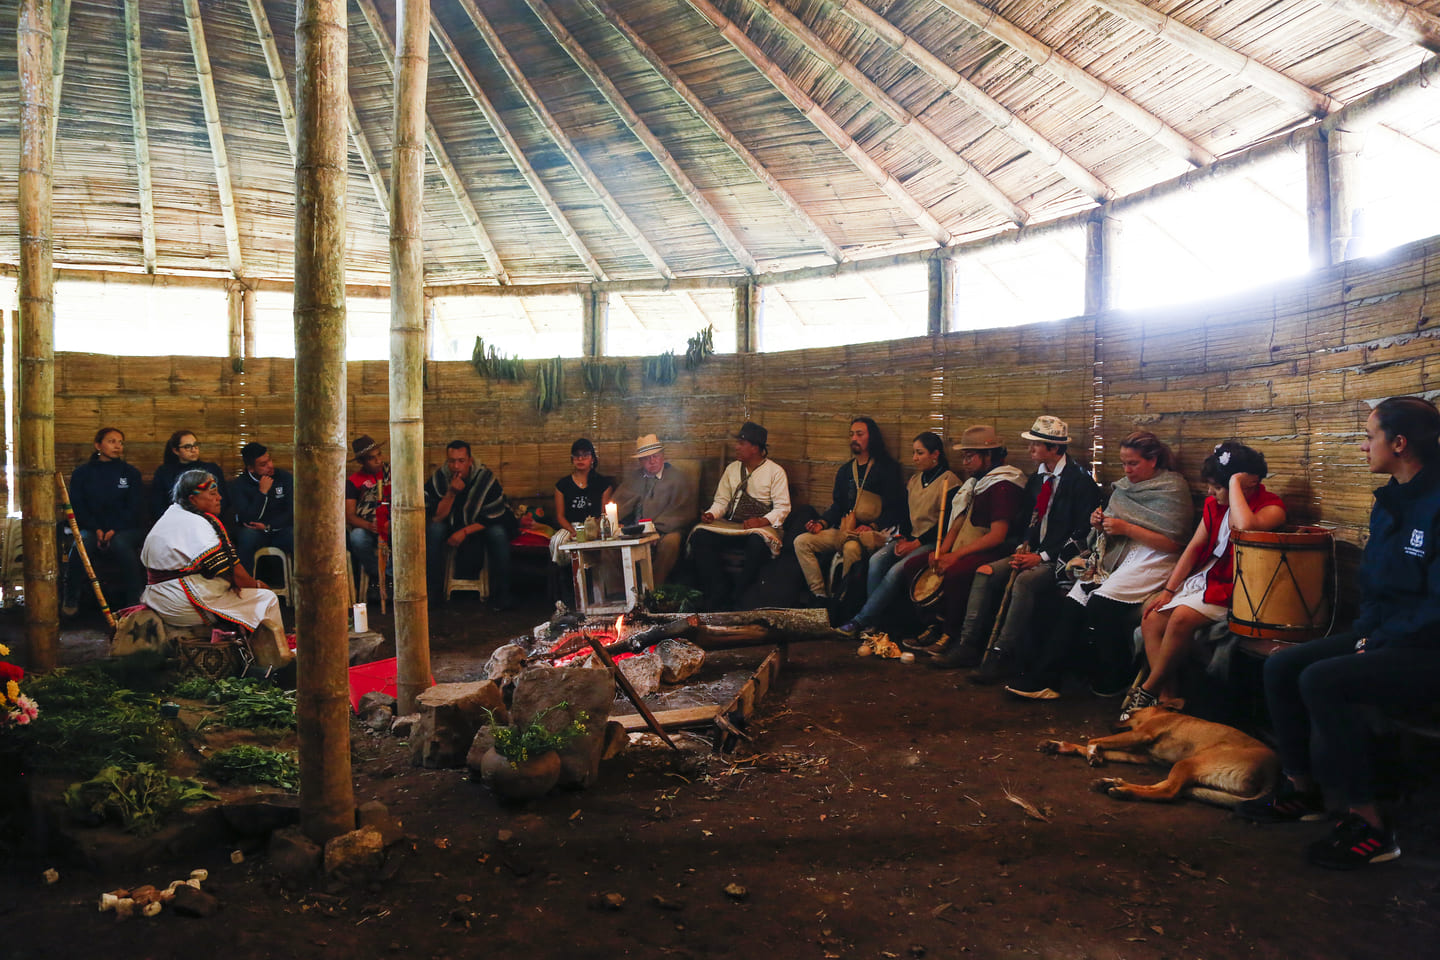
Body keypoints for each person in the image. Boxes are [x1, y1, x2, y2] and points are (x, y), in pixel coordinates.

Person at [1235, 397, 1440, 870]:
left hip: (1429, 648)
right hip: (1387, 636)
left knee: (1323, 679)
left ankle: (1370, 825)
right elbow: (1374, 584)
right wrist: (1368, 634)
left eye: (1371, 437)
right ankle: (1303, 791)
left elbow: (1436, 608)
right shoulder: (1390, 501)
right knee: (1284, 664)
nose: (1365, 446)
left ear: (1400, 443)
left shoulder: (1436, 506)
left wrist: (1379, 642)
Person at [1002, 432, 1194, 701]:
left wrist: (1126, 527)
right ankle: (1046, 679)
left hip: (1155, 558)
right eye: (1124, 463)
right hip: (1118, 554)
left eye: (1134, 463)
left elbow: (1175, 543)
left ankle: (1115, 677)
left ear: (1153, 460)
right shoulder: (1125, 487)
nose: (1127, 470)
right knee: (1073, 602)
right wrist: (1100, 524)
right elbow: (1111, 525)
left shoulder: (1172, 488)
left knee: (1100, 603)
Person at [1119, 441, 1286, 720]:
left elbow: (1245, 527)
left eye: (1217, 486)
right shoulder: (1213, 504)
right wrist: (1169, 590)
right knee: (1151, 617)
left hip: (1239, 587)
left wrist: (1233, 485)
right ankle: (1167, 697)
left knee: (1181, 618)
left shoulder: (1272, 507)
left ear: (1249, 483)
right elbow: (1195, 547)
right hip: (1207, 578)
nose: (1210, 492)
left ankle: (1147, 690)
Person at [927, 415, 1101, 674]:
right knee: (985, 572)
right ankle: (968, 644)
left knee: (1024, 581)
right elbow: (1026, 522)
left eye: (1036, 445)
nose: (1030, 450)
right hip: (1030, 552)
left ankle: (1001, 654)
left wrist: (1041, 557)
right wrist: (1023, 547)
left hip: (1058, 561)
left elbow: (1082, 533)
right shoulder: (1036, 480)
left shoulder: (1080, 482)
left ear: (1054, 448)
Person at [140, 470, 291, 670]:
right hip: (181, 599)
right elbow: (234, 572)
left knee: (236, 591)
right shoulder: (197, 524)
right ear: (193, 498)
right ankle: (273, 663)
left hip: (159, 596)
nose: (219, 498)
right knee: (266, 599)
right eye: (212, 493)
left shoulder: (173, 513)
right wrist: (256, 586)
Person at [912, 426, 1027, 667]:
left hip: (993, 549)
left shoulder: (1004, 484)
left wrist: (956, 556)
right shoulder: (976, 483)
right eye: (964, 456)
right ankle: (934, 624)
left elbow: (997, 536)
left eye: (970, 456)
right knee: (915, 565)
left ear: (989, 456)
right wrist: (942, 551)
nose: (965, 462)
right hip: (967, 545)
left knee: (956, 572)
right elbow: (958, 523)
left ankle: (952, 635)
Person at [837, 432, 960, 636]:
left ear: (935, 454)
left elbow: (945, 523)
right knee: (877, 560)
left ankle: (861, 620)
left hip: (931, 542)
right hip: (910, 538)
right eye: (914, 453)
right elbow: (904, 513)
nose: (914, 458)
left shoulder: (950, 482)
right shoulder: (914, 480)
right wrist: (901, 537)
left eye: (920, 453)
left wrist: (917, 543)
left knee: (896, 571)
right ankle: (874, 624)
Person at [792, 417, 905, 606]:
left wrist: (871, 525)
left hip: (872, 534)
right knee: (801, 541)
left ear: (872, 438)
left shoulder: (887, 469)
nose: (854, 438)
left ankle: (846, 601)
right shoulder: (845, 471)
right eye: (851, 434)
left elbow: (896, 508)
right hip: (845, 531)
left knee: (851, 549)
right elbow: (838, 506)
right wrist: (821, 523)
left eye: (859, 434)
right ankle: (820, 597)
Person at [689, 421, 791, 611]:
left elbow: (782, 508)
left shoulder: (775, 472)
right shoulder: (732, 469)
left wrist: (760, 521)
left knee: (757, 543)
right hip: (732, 526)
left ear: (755, 447)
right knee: (699, 536)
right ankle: (718, 589)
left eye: (741, 443)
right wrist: (712, 514)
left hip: (759, 528)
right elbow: (721, 501)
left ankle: (740, 594)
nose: (736, 447)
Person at [63, 426, 146, 614]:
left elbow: (134, 507)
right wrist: (96, 528)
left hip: (124, 528)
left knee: (120, 544)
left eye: (120, 442)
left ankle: (135, 600)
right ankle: (71, 597)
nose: (117, 446)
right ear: (97, 445)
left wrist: (113, 529)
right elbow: (78, 506)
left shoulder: (130, 473)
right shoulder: (82, 473)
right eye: (112, 441)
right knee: (82, 543)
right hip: (90, 527)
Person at [426, 440, 514, 608]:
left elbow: (494, 515)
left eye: (461, 461)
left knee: (498, 533)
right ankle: (433, 593)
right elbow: (437, 516)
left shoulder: (484, 477)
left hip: (478, 525)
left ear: (470, 461)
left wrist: (464, 532)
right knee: (434, 530)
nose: (456, 466)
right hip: (449, 524)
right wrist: (451, 493)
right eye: (452, 461)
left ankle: (502, 594)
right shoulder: (440, 478)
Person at [612, 434, 697, 587]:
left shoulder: (677, 478)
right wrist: (620, 524)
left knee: (672, 542)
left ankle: (653, 590)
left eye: (655, 456)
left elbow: (682, 512)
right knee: (609, 547)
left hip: (664, 531)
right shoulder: (633, 478)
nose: (652, 461)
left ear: (663, 456)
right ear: (640, 461)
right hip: (634, 530)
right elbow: (618, 506)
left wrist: (655, 530)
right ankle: (622, 593)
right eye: (646, 458)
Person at [549, 438, 615, 562]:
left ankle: (592, 578)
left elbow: (603, 514)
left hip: (594, 526)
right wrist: (573, 531)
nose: (580, 459)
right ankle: (568, 576)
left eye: (585, 455)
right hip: (570, 527)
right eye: (577, 456)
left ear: (593, 459)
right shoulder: (562, 485)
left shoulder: (603, 484)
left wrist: (593, 528)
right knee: (557, 541)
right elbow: (560, 516)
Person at [231, 442, 295, 563]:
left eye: (269, 460)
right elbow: (248, 519)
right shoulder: (240, 484)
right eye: (263, 465)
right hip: (255, 533)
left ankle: (303, 580)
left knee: (295, 535)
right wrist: (262, 493)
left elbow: (291, 511)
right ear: (251, 468)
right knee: (247, 536)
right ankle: (246, 581)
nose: (270, 466)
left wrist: (268, 526)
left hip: (278, 530)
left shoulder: (284, 478)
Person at [150, 429, 229, 525]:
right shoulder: (164, 472)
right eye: (187, 447)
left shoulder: (211, 469)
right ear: (176, 450)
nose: (194, 450)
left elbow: (223, 499)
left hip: (207, 520)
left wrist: (206, 519)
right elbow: (157, 504)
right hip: (175, 522)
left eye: (195, 445)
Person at [346, 435, 391, 588]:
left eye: (379, 455)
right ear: (361, 462)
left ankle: (391, 577)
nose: (379, 460)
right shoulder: (353, 482)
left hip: (392, 526)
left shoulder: (390, 473)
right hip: (369, 528)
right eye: (372, 458)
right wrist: (370, 525)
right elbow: (350, 516)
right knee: (357, 537)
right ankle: (381, 576)